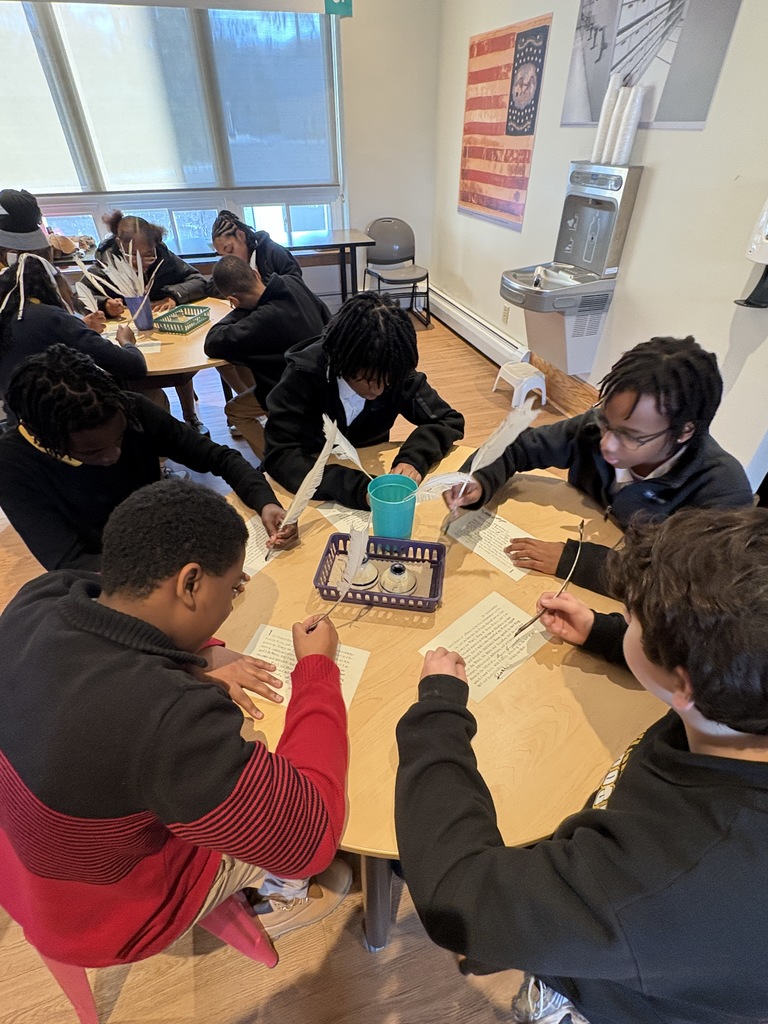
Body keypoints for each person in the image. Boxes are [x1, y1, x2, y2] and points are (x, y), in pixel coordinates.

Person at [395, 506, 768, 1024]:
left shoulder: (663, 878)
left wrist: (437, 710)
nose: (627, 620)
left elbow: (454, 897)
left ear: (685, 683)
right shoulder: (740, 703)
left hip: (608, 996)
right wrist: (606, 633)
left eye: (633, 618)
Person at [0, 478, 351, 967]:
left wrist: (197, 658)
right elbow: (309, 837)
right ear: (190, 584)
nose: (232, 604)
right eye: (233, 588)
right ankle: (282, 893)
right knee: (306, 826)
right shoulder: (170, 718)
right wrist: (317, 671)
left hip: (18, 868)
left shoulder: (41, 598)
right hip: (101, 917)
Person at [444, 336, 753, 594]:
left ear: (685, 431)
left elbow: (693, 589)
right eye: (607, 422)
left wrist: (579, 561)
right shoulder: (595, 429)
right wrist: (479, 480)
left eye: (632, 436)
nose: (607, 444)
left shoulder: (721, 489)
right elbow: (519, 446)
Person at [0, 345, 296, 571]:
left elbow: (219, 457)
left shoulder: (133, 411)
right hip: (112, 576)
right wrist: (172, 570)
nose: (114, 454)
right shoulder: (13, 464)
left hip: (168, 542)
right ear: (48, 440)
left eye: (119, 438)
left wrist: (265, 502)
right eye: (92, 452)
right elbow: (70, 561)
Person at [263, 291, 465, 508]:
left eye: (385, 381)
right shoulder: (304, 375)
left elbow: (447, 420)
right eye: (368, 379)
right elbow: (280, 456)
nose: (378, 390)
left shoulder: (394, 370)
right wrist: (358, 489)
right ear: (342, 360)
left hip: (371, 469)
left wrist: (413, 458)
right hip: (308, 487)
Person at [84, 211, 210, 434]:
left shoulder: (164, 257)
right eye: (134, 256)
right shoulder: (105, 261)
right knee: (140, 375)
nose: (142, 263)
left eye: (148, 256)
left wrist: (173, 296)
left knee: (180, 366)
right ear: (120, 246)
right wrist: (105, 303)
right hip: (126, 331)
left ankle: (191, 417)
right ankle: (161, 429)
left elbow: (197, 280)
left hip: (166, 327)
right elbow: (81, 295)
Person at [204, 255, 330, 458]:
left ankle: (275, 461)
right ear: (256, 273)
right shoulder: (292, 282)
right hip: (326, 376)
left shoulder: (260, 320)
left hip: (294, 390)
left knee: (234, 411)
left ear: (233, 300)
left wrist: (240, 310)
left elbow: (212, 342)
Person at [0, 253, 146, 417]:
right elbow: (134, 367)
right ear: (53, 286)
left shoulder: (8, 315)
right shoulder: (52, 317)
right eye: (69, 291)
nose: (70, 294)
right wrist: (127, 342)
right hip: (67, 420)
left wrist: (80, 326)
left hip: (18, 420)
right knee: (148, 397)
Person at [0, 186, 109, 333]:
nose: (31, 257)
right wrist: (72, 331)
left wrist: (97, 309)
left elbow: (60, 293)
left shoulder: (39, 257)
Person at [210, 209, 302, 283]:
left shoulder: (274, 253)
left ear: (241, 236)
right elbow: (211, 287)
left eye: (230, 250)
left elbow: (296, 287)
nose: (228, 259)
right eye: (222, 256)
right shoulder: (233, 266)